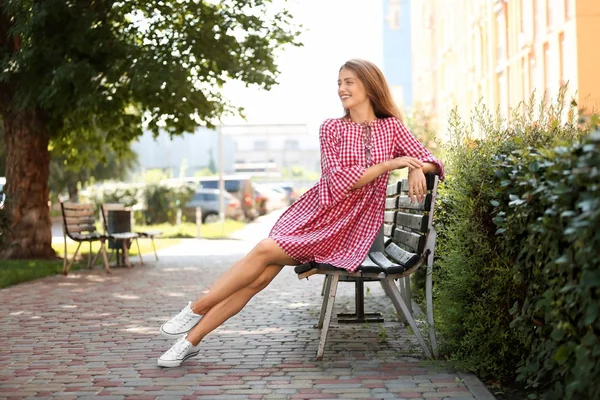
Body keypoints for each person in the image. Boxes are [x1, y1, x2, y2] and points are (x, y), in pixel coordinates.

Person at [156, 59, 445, 367]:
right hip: (316, 217)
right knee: (258, 279)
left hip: (351, 232)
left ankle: (195, 308)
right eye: (339, 83)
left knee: (264, 250)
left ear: (370, 86)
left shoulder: (392, 128)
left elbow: (433, 162)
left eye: (349, 82)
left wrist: (413, 166)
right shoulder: (332, 128)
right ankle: (189, 341)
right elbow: (338, 181)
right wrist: (395, 163)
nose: (342, 89)